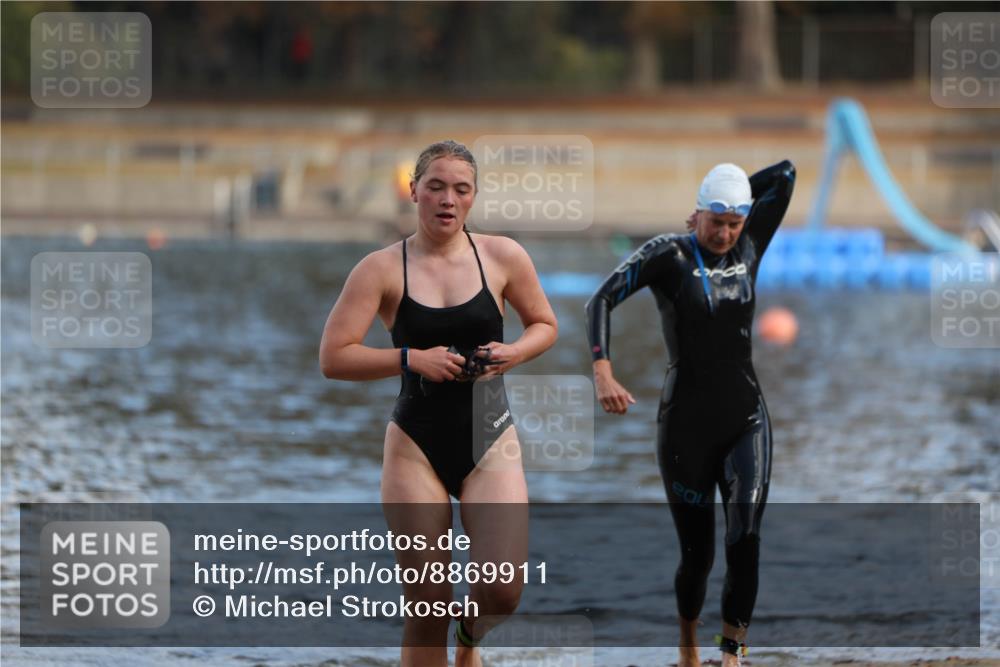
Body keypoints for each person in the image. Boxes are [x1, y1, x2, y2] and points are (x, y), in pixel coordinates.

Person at [319, 140, 558, 667]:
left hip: (489, 437)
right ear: (414, 191)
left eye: (461, 189)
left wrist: (514, 352)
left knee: (503, 591)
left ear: (473, 197)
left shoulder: (502, 256)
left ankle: (470, 641)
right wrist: (410, 358)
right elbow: (334, 358)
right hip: (414, 445)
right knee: (428, 605)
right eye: (436, 187)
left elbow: (545, 325)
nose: (448, 199)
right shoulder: (380, 268)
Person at [585, 160, 795, 666]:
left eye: (734, 222)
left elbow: (785, 175)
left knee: (745, 536)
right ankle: (687, 646)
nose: (724, 233)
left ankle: (733, 654)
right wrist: (603, 371)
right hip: (686, 428)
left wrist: (740, 193)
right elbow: (601, 300)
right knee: (697, 558)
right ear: (695, 214)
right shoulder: (668, 255)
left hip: (746, 417)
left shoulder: (750, 244)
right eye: (715, 221)